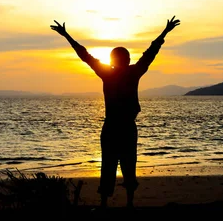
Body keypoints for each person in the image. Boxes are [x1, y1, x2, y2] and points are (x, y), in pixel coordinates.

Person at [51, 16, 181, 208]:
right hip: (121, 127)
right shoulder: (128, 72)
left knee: (113, 165)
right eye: (125, 58)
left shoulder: (114, 73)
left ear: (113, 60)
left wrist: (66, 35)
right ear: (125, 60)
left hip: (115, 127)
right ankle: (124, 202)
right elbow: (150, 52)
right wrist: (165, 32)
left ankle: (111, 202)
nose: (126, 60)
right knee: (123, 164)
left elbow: (85, 55)